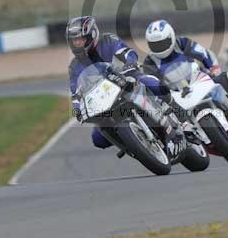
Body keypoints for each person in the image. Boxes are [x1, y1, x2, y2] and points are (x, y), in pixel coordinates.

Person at [66, 16, 182, 150]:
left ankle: (180, 115)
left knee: (152, 84)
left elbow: (127, 52)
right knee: (97, 139)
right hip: (104, 99)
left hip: (127, 78)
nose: (77, 44)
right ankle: (133, 145)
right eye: (74, 41)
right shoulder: (74, 66)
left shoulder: (108, 40)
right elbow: (75, 93)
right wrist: (77, 109)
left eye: (81, 40)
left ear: (92, 35)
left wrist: (130, 63)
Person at [143, 20, 228, 119]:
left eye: (162, 43)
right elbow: (153, 85)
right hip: (176, 94)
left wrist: (214, 69)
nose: (160, 47)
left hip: (199, 79)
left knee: (227, 78)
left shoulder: (182, 43)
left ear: (171, 37)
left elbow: (204, 54)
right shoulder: (149, 62)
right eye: (155, 45)